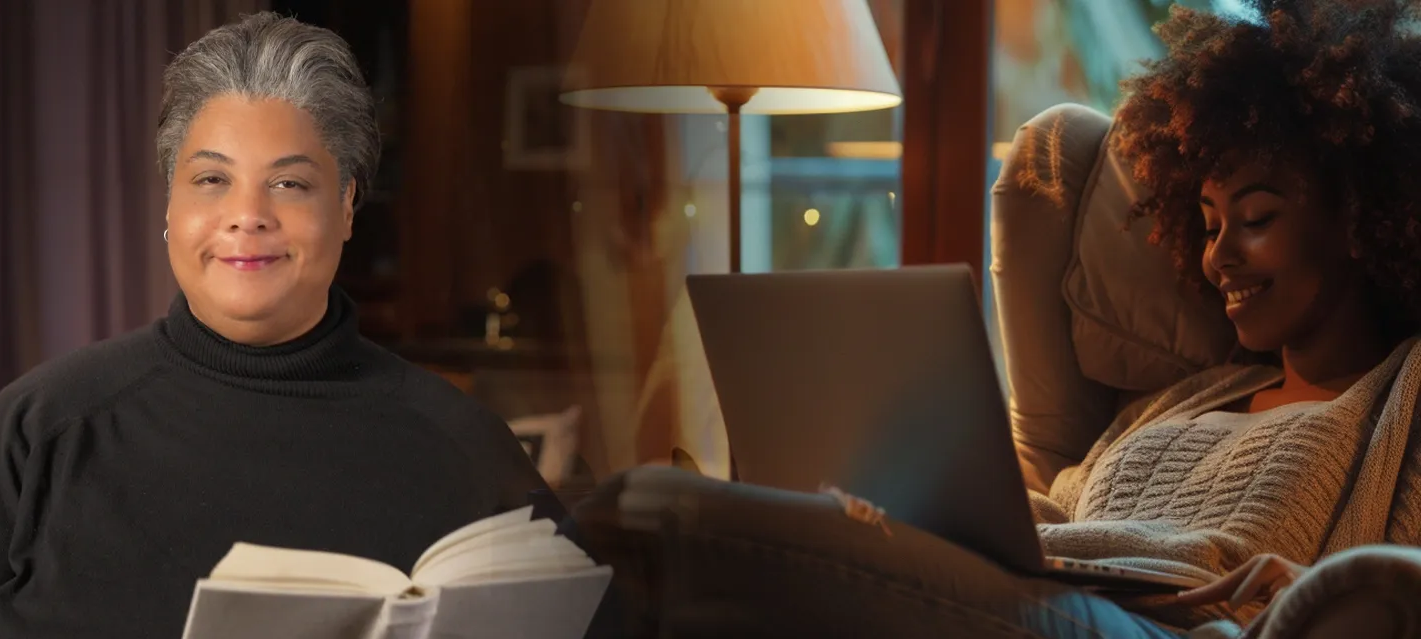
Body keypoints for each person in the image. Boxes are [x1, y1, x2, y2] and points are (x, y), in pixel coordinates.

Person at [579, 1, 1421, 637]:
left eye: (1257, 216)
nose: (1218, 257)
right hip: (1037, 587)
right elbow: (1048, 513)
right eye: (1207, 223)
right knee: (653, 538)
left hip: (1153, 628)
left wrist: (1298, 582)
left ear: (1358, 215)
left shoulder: (1399, 396)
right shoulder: (1183, 400)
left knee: (651, 517)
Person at [0, 12, 547, 639]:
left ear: (347, 206)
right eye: (212, 180)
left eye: (288, 182)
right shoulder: (40, 430)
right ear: (171, 203)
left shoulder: (465, 450)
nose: (247, 216)